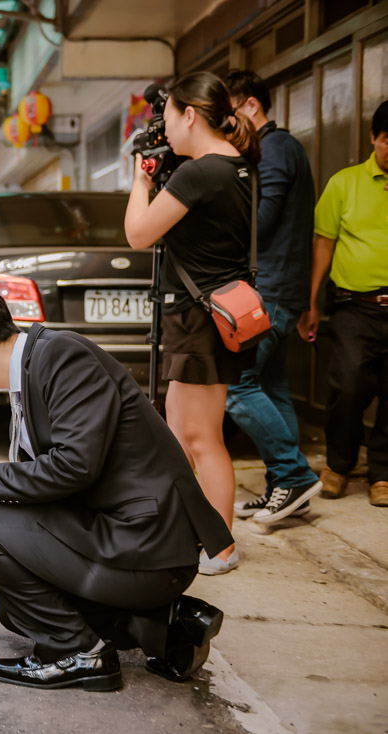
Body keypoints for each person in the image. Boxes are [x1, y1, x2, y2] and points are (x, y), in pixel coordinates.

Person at [0, 276, 232, 692]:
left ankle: (77, 653)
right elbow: (35, 498)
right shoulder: (32, 368)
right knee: (17, 610)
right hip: (125, 542)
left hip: (148, 547)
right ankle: (165, 628)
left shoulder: (62, 357)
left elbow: (73, 467)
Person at [123, 71, 260, 575]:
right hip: (205, 314)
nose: (166, 130)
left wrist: (141, 180)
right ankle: (191, 531)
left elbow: (138, 233)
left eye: (169, 117)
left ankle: (221, 548)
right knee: (181, 430)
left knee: (202, 437)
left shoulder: (200, 173)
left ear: (188, 114)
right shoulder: (237, 165)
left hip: (200, 319)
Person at [219, 70, 322, 523]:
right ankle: (285, 486)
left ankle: (292, 474)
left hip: (273, 290)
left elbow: (260, 222)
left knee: (237, 384)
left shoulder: (277, 147)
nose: (226, 123)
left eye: (229, 111)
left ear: (251, 106)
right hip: (280, 288)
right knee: (272, 385)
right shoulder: (282, 147)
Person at [300, 99, 388, 506]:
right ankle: (338, 463)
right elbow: (323, 243)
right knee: (348, 386)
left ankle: (382, 473)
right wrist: (312, 300)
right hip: (355, 305)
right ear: (373, 138)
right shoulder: (345, 183)